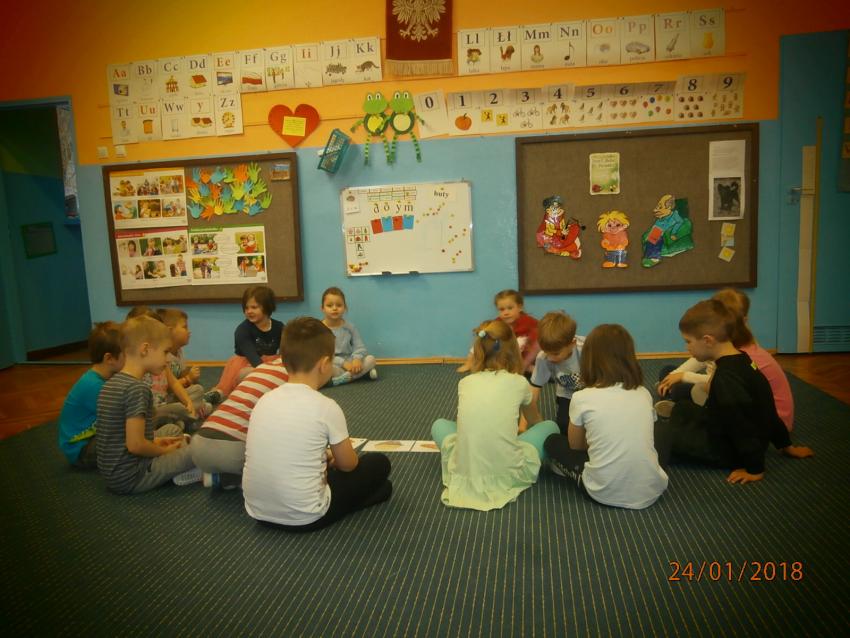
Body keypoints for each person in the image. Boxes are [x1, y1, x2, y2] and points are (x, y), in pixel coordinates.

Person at [243, 317, 392, 531]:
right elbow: (349, 465)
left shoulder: (264, 400)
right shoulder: (326, 406)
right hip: (306, 517)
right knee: (379, 464)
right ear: (324, 365)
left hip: (259, 512)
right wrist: (335, 459)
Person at [667, 300, 813, 484]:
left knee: (663, 437)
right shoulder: (744, 360)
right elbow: (767, 407)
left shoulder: (726, 379)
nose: (686, 347)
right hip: (727, 430)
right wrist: (786, 445)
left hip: (729, 450)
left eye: (688, 342)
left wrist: (755, 468)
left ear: (708, 340)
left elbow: (741, 426)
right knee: (682, 407)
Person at [431, 319, 560, 511]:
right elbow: (535, 420)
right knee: (550, 427)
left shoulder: (466, 382)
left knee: (439, 425)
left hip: (467, 472)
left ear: (479, 351)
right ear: (514, 350)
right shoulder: (519, 382)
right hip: (507, 473)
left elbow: (461, 426)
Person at [544, 324, 670, 509]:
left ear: (589, 360)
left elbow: (576, 446)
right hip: (651, 491)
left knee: (552, 441)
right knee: (662, 429)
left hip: (601, 491)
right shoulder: (643, 393)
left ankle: (579, 472)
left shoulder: (581, 397)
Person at [96, 316, 199, 494]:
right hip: (133, 476)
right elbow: (135, 445)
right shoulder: (137, 389)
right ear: (145, 349)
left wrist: (158, 442)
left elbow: (120, 437)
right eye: (165, 352)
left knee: (172, 432)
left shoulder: (110, 383)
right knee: (198, 450)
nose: (167, 360)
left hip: (112, 474)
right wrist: (165, 451)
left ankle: (176, 464)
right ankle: (194, 471)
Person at [191, 356, 289, 489]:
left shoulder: (262, 368)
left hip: (199, 441)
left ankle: (208, 471)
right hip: (232, 450)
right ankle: (227, 478)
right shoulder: (296, 383)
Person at [713, 288, 795, 430]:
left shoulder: (740, 356)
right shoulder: (741, 345)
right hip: (767, 419)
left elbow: (718, 388)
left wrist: (685, 376)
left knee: (688, 395)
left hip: (772, 426)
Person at [58, 322, 124, 468]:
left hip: (94, 438)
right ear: (109, 358)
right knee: (131, 440)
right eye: (126, 353)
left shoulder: (104, 378)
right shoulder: (95, 386)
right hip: (82, 450)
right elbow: (122, 418)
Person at [205, 286, 284, 403]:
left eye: (254, 307)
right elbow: (254, 359)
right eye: (246, 308)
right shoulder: (242, 330)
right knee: (228, 388)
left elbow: (285, 351)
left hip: (269, 362)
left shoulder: (279, 327)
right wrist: (270, 373)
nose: (249, 311)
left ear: (267, 307)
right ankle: (215, 395)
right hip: (246, 363)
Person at [151, 308, 212, 428]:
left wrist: (191, 378)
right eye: (185, 327)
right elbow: (168, 388)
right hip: (163, 403)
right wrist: (188, 379)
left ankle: (183, 417)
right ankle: (187, 416)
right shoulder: (160, 358)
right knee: (180, 409)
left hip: (171, 399)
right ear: (170, 331)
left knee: (198, 390)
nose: (189, 332)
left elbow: (179, 379)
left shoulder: (179, 352)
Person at [458, 290, 539, 375]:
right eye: (502, 309)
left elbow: (537, 339)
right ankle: (469, 362)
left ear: (520, 307)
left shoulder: (529, 322)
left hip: (523, 356)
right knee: (482, 338)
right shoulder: (497, 322)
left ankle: (526, 368)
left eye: (510, 308)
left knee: (521, 341)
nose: (506, 313)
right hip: (504, 356)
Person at [529, 311, 584, 434]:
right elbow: (533, 391)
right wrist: (523, 424)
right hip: (566, 394)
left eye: (555, 353)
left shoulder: (586, 350)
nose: (550, 358)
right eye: (546, 352)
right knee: (564, 426)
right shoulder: (543, 357)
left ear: (572, 344)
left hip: (591, 391)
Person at [320, 287, 377, 386]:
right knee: (325, 368)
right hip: (334, 363)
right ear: (322, 308)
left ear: (345, 307)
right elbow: (323, 354)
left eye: (339, 305)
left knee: (371, 359)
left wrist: (357, 359)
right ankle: (362, 374)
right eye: (329, 305)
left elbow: (360, 347)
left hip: (351, 362)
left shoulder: (350, 327)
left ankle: (342, 379)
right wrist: (343, 363)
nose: (334, 308)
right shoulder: (319, 329)